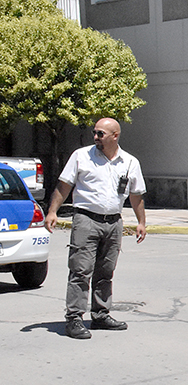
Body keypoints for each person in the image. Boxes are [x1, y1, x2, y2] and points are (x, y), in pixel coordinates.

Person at [45, 118, 147, 340]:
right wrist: (52, 211)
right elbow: (64, 186)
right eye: (95, 133)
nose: (96, 137)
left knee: (106, 272)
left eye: (101, 133)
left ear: (115, 136)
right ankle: (74, 318)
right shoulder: (81, 156)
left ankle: (100, 315)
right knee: (80, 270)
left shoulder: (129, 162)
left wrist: (141, 222)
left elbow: (136, 194)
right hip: (86, 220)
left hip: (113, 222)